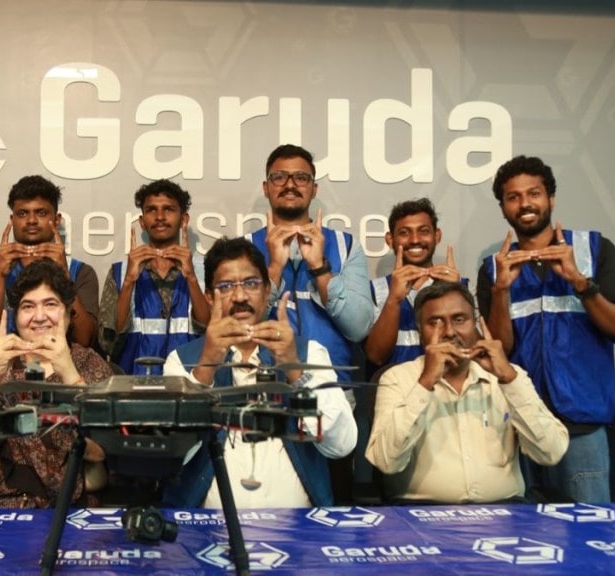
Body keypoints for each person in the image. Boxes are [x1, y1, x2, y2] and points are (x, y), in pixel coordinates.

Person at [478, 155, 615, 503]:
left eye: (533, 193)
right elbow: (498, 349)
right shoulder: (493, 268)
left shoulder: (595, 249)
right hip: (518, 425)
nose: (525, 204)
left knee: (590, 530)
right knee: (523, 533)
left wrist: (580, 282)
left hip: (581, 427)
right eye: (513, 197)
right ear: (503, 208)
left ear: (550, 198)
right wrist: (501, 290)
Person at [161, 237, 356, 508]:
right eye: (225, 286)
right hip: (208, 526)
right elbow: (169, 454)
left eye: (251, 283)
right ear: (209, 297)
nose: (240, 297)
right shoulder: (181, 361)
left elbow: (341, 444)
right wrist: (207, 365)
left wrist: (294, 369)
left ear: (267, 291)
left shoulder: (308, 352)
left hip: (298, 525)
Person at [366, 282, 569, 503]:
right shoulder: (397, 379)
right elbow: (386, 462)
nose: (449, 332)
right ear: (420, 331)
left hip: (504, 511)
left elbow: (551, 452)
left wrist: (509, 380)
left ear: (475, 324)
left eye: (459, 319)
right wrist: (425, 383)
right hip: (420, 512)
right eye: (435, 322)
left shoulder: (507, 377)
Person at [0, 259, 113, 508]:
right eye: (28, 306)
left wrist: (68, 372)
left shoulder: (89, 364)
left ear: (68, 313)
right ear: (15, 316)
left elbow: (103, 448)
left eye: (50, 304)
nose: (39, 317)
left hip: (68, 508)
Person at [247, 144, 373, 383]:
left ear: (314, 189)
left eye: (301, 178)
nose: (290, 185)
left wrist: (320, 268)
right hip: (263, 389)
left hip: (333, 389)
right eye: (279, 177)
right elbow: (239, 328)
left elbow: (359, 329)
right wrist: (274, 269)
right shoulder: (245, 249)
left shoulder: (346, 246)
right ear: (266, 188)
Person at [0, 175, 99, 352]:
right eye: (22, 213)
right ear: (12, 219)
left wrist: (64, 274)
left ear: (57, 220)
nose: (31, 220)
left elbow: (84, 339)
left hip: (62, 367)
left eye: (41, 213)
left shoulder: (81, 271)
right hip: (3, 367)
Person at [98, 179, 209, 374]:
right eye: (151, 210)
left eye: (168, 209)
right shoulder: (121, 271)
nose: (160, 217)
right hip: (133, 382)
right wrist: (129, 281)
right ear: (142, 222)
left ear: (184, 219)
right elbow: (109, 343)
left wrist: (191, 277)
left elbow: (211, 329)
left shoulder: (206, 268)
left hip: (190, 382)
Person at [365, 198, 464, 368]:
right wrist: (393, 300)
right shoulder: (373, 290)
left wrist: (456, 295)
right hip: (392, 383)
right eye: (404, 233)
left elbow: (476, 352)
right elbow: (376, 357)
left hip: (445, 383)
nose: (415, 240)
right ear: (390, 239)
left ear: (437, 236)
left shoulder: (461, 286)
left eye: (424, 231)